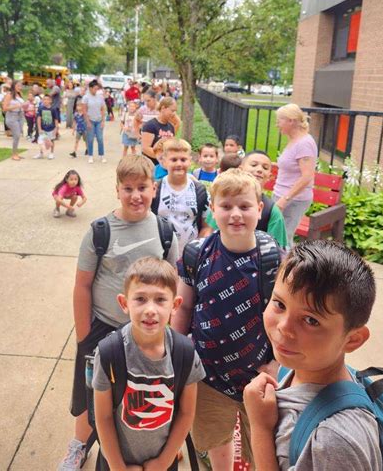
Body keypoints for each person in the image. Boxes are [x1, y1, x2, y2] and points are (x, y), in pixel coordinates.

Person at [58, 155, 179, 471]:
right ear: (117, 190)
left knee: (138, 393)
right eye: (128, 188)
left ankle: (140, 443)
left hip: (147, 331)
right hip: (103, 325)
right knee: (89, 392)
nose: (136, 195)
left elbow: (172, 285)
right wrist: (85, 335)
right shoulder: (100, 231)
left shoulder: (165, 233)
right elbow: (82, 285)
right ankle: (79, 445)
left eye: (142, 187)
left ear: (154, 188)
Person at [172, 169, 282, 470]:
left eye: (244, 206)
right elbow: (183, 308)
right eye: (226, 206)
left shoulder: (272, 257)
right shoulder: (197, 253)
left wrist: (275, 363)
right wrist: (178, 354)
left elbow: (284, 316)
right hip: (207, 374)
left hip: (259, 374)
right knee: (217, 442)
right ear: (212, 211)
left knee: (261, 447)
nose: (235, 214)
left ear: (259, 210)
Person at [243, 240, 381, 471]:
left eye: (311, 320)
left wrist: (260, 428)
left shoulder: (335, 441)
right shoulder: (294, 367)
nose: (284, 327)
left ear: (352, 339)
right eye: (279, 304)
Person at [93, 257, 206, 470]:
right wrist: (118, 466)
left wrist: (164, 461)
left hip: (163, 461)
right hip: (117, 460)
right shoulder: (109, 353)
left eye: (160, 300)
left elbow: (186, 413)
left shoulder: (185, 354)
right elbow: (104, 417)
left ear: (175, 305)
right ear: (124, 303)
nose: (150, 309)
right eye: (141, 299)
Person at [151, 138, 211, 251]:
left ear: (190, 161)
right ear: (164, 161)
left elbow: (207, 227)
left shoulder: (200, 190)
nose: (179, 164)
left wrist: (197, 249)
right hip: (161, 254)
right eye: (173, 160)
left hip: (190, 256)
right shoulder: (155, 190)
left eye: (183, 159)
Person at [273, 104, 317, 247]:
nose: (277, 124)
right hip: (282, 196)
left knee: (283, 239)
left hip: (293, 199)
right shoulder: (295, 140)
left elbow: (307, 176)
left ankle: (288, 268)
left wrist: (285, 199)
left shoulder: (304, 143)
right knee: (275, 236)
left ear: (291, 121)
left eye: (279, 120)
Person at [240, 150, 288, 249]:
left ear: (269, 176)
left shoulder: (272, 212)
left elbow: (278, 250)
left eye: (265, 168)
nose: (259, 170)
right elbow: (209, 231)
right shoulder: (224, 200)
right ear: (240, 169)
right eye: (253, 165)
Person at [141, 97, 178, 164]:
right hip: (151, 165)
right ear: (163, 108)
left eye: (175, 111)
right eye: (172, 111)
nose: (174, 113)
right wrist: (162, 159)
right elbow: (145, 148)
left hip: (165, 166)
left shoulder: (171, 126)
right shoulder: (150, 125)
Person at [82, 79, 107, 164]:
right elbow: (84, 110)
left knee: (100, 138)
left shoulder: (100, 97)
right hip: (90, 120)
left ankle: (101, 155)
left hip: (99, 120)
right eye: (95, 88)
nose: (96, 90)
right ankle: (90, 155)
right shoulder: (86, 98)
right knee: (90, 139)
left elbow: (103, 109)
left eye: (97, 89)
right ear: (90, 88)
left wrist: (103, 121)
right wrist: (87, 122)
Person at [2, 80, 25, 161]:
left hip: (20, 116)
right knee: (17, 135)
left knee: (18, 136)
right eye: (18, 86)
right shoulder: (9, 95)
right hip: (12, 117)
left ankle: (16, 153)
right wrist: (16, 106)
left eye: (21, 86)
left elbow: (22, 105)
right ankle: (13, 154)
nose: (20, 87)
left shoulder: (20, 94)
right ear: (14, 86)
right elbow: (4, 108)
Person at [34, 94, 59, 160]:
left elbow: (56, 119)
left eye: (47, 99)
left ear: (50, 101)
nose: (45, 101)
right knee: (42, 141)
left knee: (52, 140)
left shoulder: (53, 109)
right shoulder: (40, 108)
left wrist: (56, 128)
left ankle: (51, 153)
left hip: (51, 128)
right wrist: (39, 128)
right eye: (44, 99)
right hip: (43, 128)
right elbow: (39, 118)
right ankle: (41, 153)